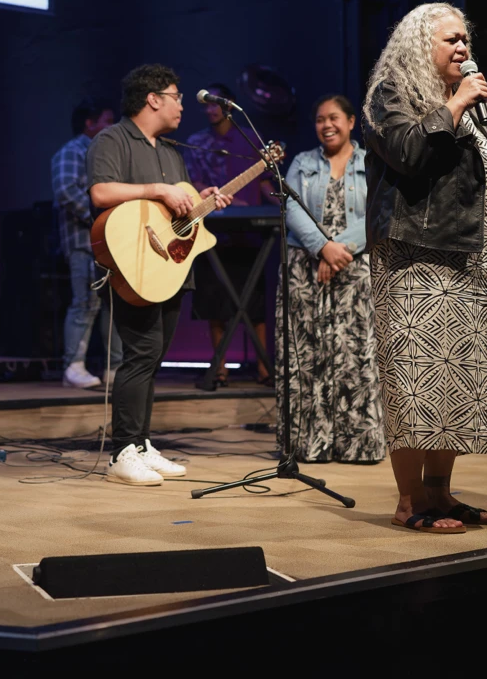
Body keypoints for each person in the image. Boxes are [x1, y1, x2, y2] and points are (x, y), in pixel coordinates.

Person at [363, 3, 487, 534]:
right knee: (417, 380)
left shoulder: (473, 105)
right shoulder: (391, 94)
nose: (463, 48)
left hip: (471, 258)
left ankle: (441, 494)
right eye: (451, 40)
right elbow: (407, 154)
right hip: (416, 260)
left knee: (456, 381)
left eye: (466, 39)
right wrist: (456, 103)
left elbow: (472, 180)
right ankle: (409, 500)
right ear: (421, 43)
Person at [88, 64, 233, 485]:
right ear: (153, 99)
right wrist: (157, 189)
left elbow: (176, 213)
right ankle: (121, 452)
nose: (182, 105)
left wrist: (201, 201)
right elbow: (101, 192)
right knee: (141, 352)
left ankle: (141, 443)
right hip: (132, 264)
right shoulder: (112, 139)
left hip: (168, 265)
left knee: (154, 356)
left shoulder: (170, 150)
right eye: (176, 96)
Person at [277, 94, 386, 463]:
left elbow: (379, 211)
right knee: (308, 354)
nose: (326, 125)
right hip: (306, 267)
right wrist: (322, 248)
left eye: (334, 118)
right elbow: (291, 207)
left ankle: (359, 445)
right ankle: (310, 444)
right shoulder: (303, 162)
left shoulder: (371, 161)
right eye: (320, 119)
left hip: (354, 267)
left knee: (354, 353)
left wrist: (340, 249)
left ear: (351, 121)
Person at [185, 82, 275, 386]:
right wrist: (221, 200)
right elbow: (193, 184)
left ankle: (264, 368)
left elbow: (264, 182)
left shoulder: (250, 139)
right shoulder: (197, 142)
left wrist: (280, 203)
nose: (211, 110)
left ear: (229, 105)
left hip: (248, 234)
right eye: (207, 105)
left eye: (216, 103)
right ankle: (220, 368)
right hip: (211, 230)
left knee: (255, 302)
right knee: (215, 301)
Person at [51, 97, 123, 389]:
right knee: (85, 303)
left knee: (114, 304)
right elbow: (66, 191)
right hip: (84, 241)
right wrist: (101, 220)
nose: (113, 127)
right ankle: (74, 366)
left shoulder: (108, 154)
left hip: (114, 243)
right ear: (89, 123)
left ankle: (114, 368)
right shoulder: (72, 151)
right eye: (107, 121)